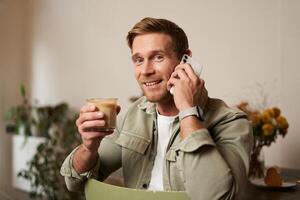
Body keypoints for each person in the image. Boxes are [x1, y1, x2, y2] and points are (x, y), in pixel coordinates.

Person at [60, 17, 252, 200]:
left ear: (185, 60)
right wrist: (88, 147)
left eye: (158, 57)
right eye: (138, 60)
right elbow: (74, 182)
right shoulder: (133, 115)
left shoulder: (231, 122)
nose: (145, 71)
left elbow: (217, 196)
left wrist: (188, 110)